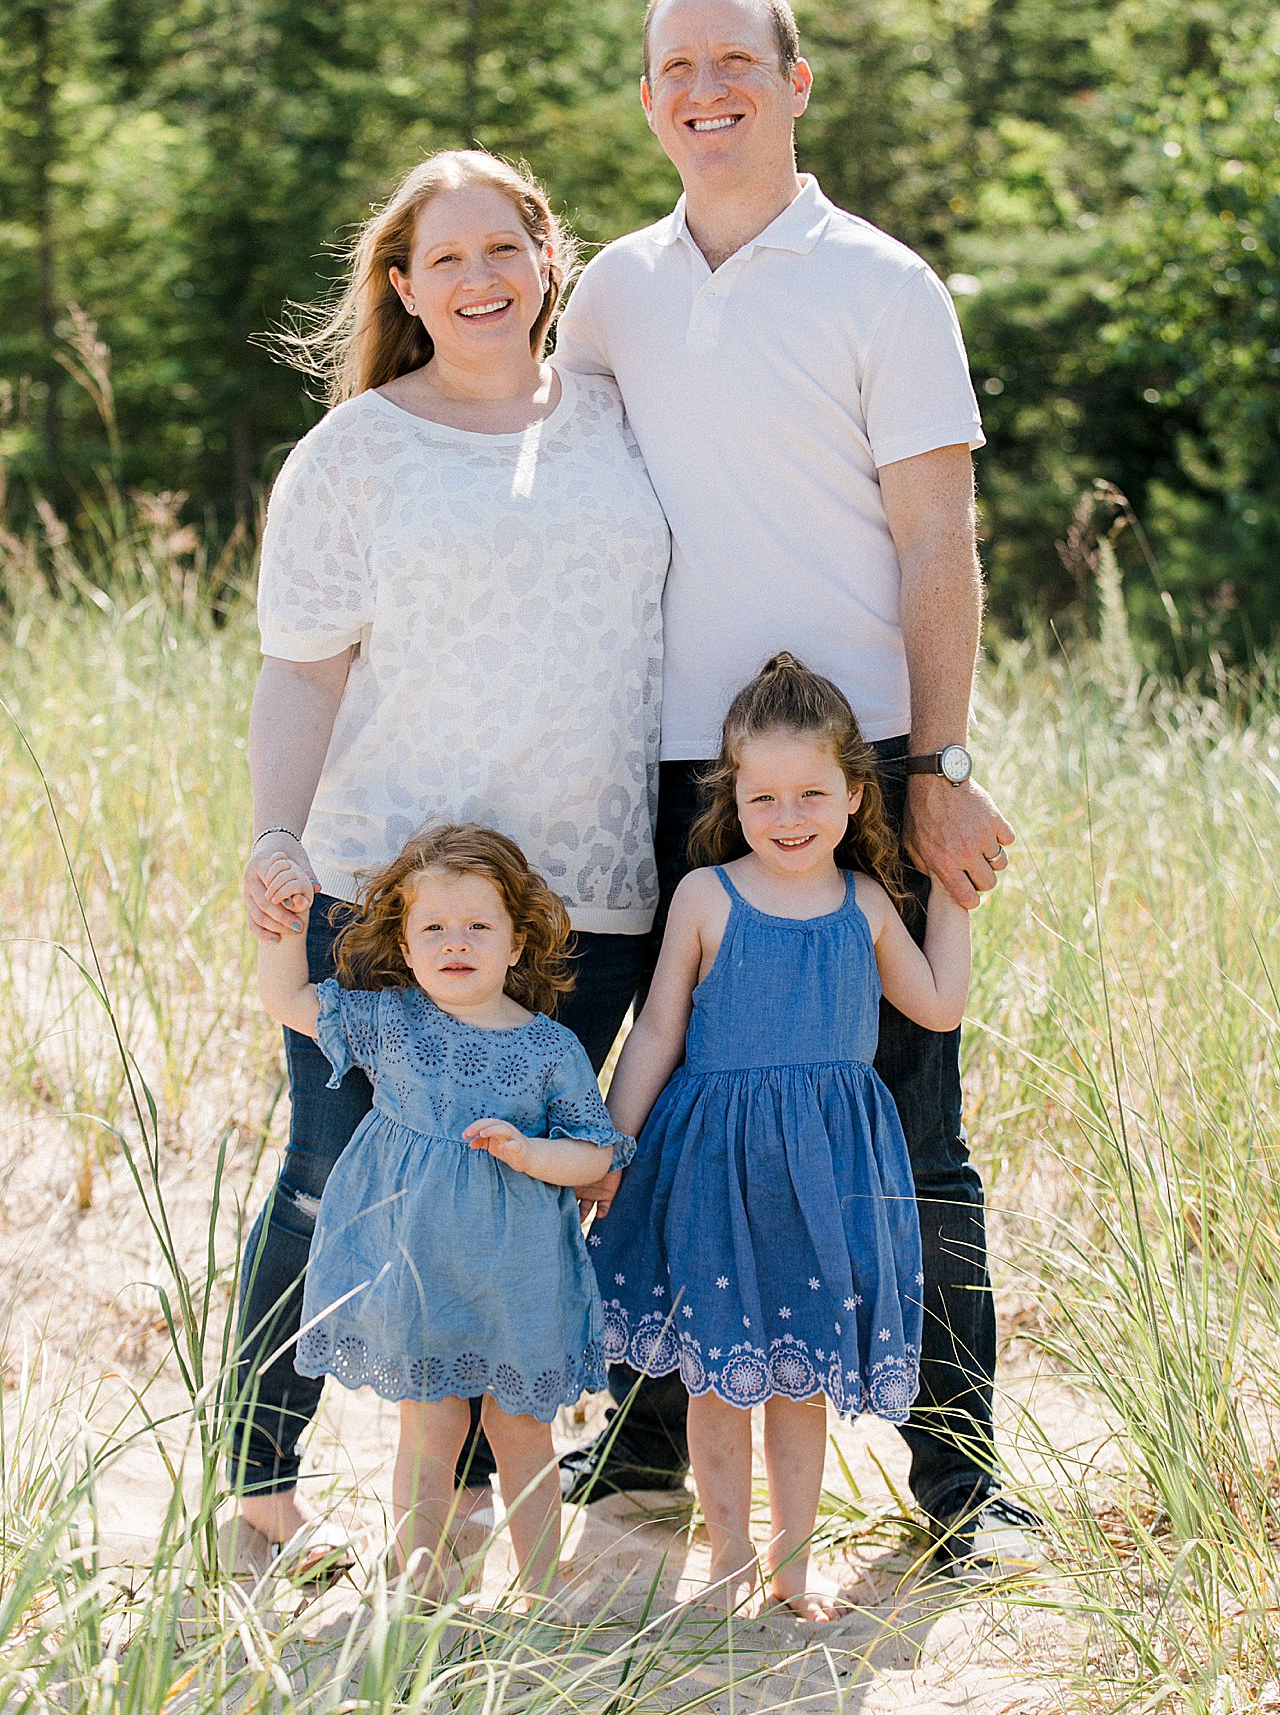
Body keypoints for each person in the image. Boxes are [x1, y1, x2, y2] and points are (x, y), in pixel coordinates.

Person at [556, 0, 1037, 1576]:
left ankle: (963, 1476)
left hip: (867, 756)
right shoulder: (612, 290)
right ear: (646, 99)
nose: (707, 90)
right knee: (676, 1101)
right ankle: (634, 1448)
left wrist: (942, 762)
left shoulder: (884, 283)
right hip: (679, 756)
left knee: (907, 1115)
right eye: (675, 67)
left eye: (736, 63)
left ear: (795, 81)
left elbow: (936, 534)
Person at [232, 148, 668, 1575]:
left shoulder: (619, 416)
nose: (478, 279)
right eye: (446, 259)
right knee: (332, 1168)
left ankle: (472, 1499)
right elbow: (301, 669)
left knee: (511, 1184)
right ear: (405, 288)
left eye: (505, 248)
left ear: (551, 259)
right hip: (386, 895)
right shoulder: (357, 450)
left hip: (588, 894)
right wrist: (276, 839)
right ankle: (262, 1494)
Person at [586, 656, 969, 1618]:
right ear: (733, 795)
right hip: (715, 1166)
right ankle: (727, 1557)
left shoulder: (869, 903)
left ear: (852, 796)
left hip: (824, 1175)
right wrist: (611, 1150)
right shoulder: (706, 896)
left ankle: (792, 1572)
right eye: (762, 796)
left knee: (795, 1381)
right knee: (719, 1384)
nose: (787, 816)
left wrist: (956, 897)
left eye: (810, 793)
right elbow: (659, 1032)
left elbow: (937, 1002)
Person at [258, 823, 635, 1602]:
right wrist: (285, 925)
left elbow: (597, 1154)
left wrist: (533, 1155)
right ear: (404, 939)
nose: (454, 942)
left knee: (521, 1432)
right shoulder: (391, 1019)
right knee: (430, 1433)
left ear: (517, 944)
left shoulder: (549, 1048)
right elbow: (286, 999)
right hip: (419, 1269)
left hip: (515, 1275)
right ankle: (419, 1594)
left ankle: (540, 1596)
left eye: (477, 926)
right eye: (433, 927)